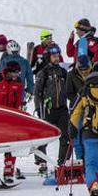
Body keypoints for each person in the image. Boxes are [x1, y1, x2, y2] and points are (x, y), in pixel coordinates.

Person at [33, 45, 71, 174]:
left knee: (65, 137)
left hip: (62, 109)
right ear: (48, 57)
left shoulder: (63, 72)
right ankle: (41, 161)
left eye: (57, 56)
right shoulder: (43, 73)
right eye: (54, 56)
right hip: (48, 110)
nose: (56, 58)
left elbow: (69, 89)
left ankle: (62, 163)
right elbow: (37, 92)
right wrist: (38, 108)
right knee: (44, 137)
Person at [0, 61, 25, 183]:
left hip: (9, 119)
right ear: (8, 71)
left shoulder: (18, 82)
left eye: (18, 73)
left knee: (11, 146)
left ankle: (9, 172)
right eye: (14, 72)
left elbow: (18, 101)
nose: (16, 75)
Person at [66, 54, 93, 160]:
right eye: (81, 69)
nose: (84, 71)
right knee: (77, 137)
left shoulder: (93, 73)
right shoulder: (71, 74)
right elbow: (68, 93)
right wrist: (79, 99)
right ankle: (80, 159)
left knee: (88, 135)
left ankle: (88, 159)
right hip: (77, 109)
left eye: (86, 69)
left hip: (90, 109)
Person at [0, 39, 34, 106]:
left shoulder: (4, 61)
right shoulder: (25, 62)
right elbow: (30, 78)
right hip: (20, 95)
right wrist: (30, 91)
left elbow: (0, 75)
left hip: (5, 94)